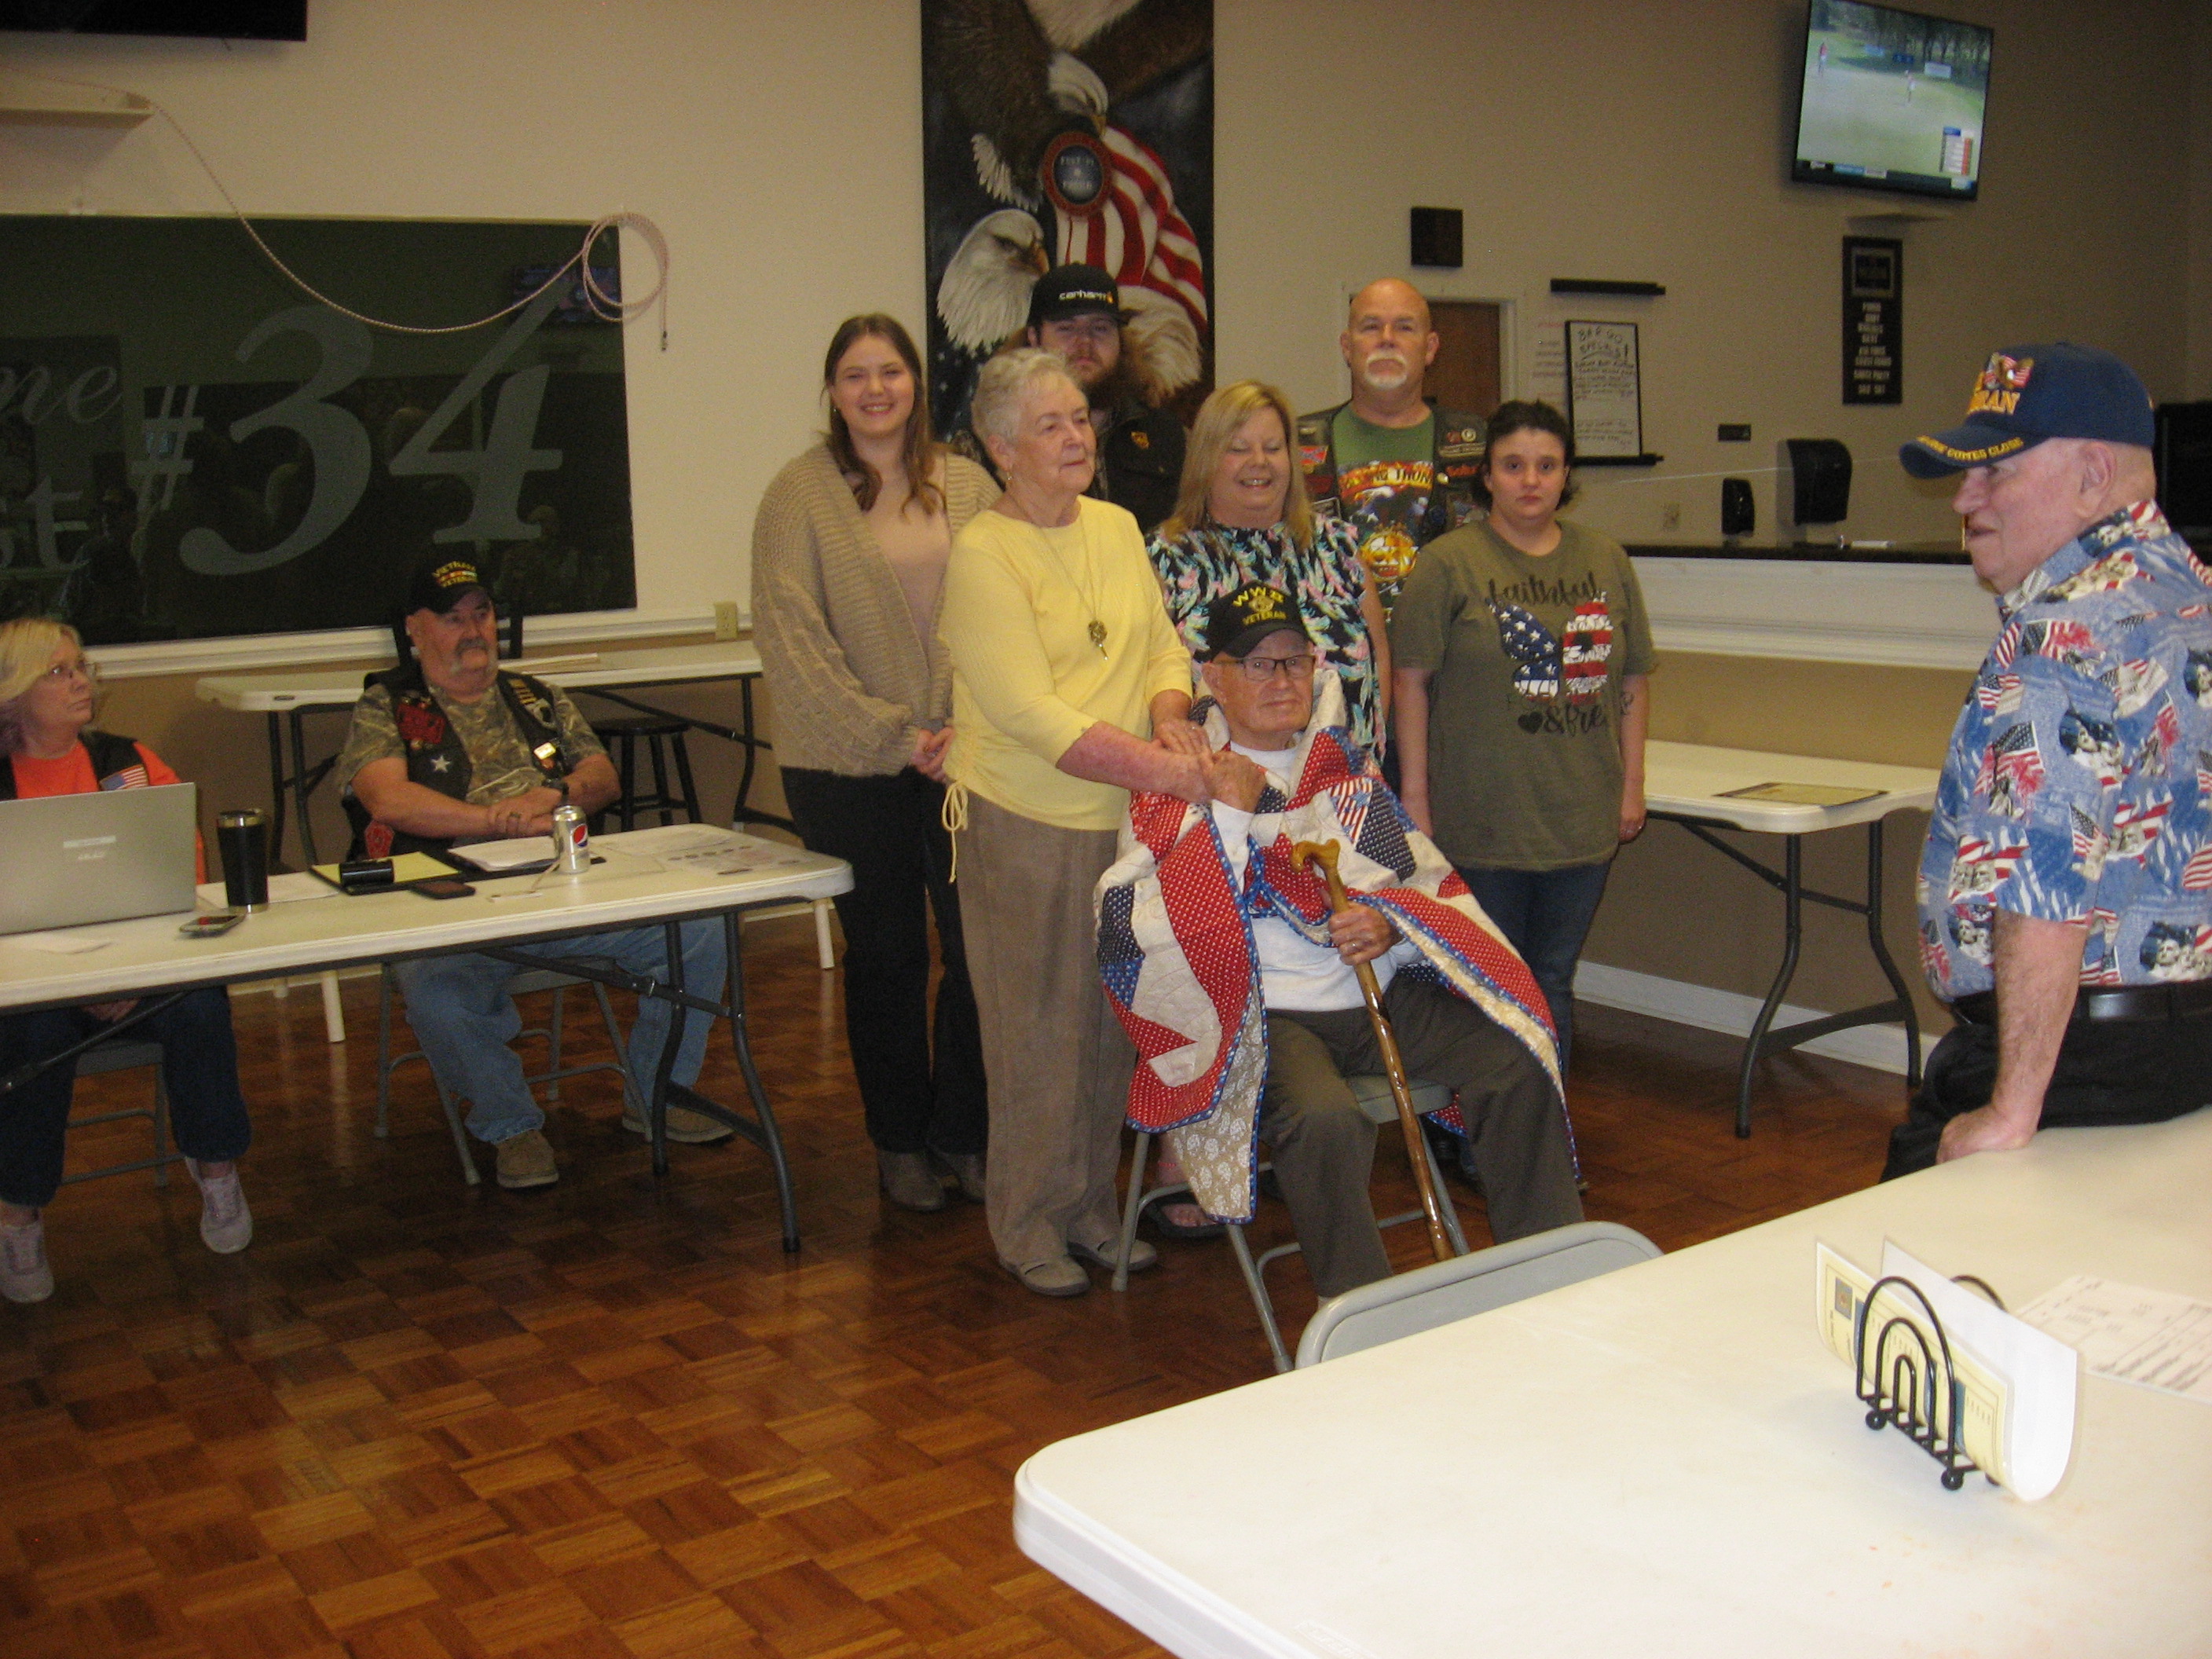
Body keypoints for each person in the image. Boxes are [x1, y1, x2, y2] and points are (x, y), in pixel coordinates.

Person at [1097, 584, 1582, 1297]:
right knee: (1325, 1120)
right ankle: (1358, 1307)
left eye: (1295, 662)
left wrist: (1390, 925)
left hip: (1377, 994)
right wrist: (1232, 817)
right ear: (1215, 678)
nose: (1281, 681)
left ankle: (1552, 1273)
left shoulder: (1346, 776)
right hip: (1264, 1016)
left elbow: (1421, 883)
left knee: (1516, 1059)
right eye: (1258, 664)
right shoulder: (1174, 782)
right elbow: (1145, 927)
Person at [1885, 342, 2212, 1176]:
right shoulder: (2191, 597)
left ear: (2092, 474)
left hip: (2078, 1064)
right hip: (2186, 1052)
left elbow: (2041, 888)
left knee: (1902, 1250)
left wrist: (2010, 1108)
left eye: (1994, 472)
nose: (1964, 499)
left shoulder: (2059, 636)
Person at [938, 347, 1209, 1297]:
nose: (1074, 437)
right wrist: (1167, 771)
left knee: (1105, 1025)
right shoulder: (983, 553)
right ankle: (1027, 1224)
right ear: (999, 448)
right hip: (1025, 822)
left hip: (1123, 822)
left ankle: (1094, 1208)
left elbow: (1161, 649)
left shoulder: (1116, 526)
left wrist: (1171, 718)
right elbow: (1031, 715)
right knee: (1035, 1034)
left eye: (1077, 418)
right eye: (1046, 425)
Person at [333, 559, 728, 1190]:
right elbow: (388, 799)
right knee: (433, 986)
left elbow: (602, 777)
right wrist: (492, 820)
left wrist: (556, 794)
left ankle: (657, 1092)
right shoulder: (388, 705)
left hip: (561, 893)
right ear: (415, 628)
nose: (473, 631)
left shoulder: (535, 697)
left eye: (482, 614)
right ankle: (510, 1125)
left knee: (701, 931)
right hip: (452, 909)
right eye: (452, 617)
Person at [752, 315, 996, 1214]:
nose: (874, 390)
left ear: (914, 383)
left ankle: (961, 1132)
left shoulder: (968, 485)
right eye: (854, 375)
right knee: (887, 956)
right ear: (832, 391)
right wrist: (900, 738)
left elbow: (1004, 613)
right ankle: (898, 1143)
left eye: (889, 371)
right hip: (845, 768)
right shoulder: (797, 496)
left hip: (965, 760)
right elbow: (793, 643)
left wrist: (963, 729)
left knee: (976, 953)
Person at [1391, 400, 1654, 1087]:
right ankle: (1478, 1128)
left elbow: (1632, 676)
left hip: (1581, 814)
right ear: (1486, 476)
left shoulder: (1606, 559)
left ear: (1567, 475)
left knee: (1552, 979)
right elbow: (1410, 683)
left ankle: (1544, 1127)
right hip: (1481, 817)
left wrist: (1632, 786)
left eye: (1546, 466)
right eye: (1513, 466)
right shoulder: (1447, 564)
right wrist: (1415, 797)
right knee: (1486, 983)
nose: (1530, 481)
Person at [0, 619, 253, 1303]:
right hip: (34, 983)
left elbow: (179, 876)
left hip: (142, 969)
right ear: (15, 692)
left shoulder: (127, 763)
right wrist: (77, 983)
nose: (79, 681)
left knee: (201, 1005)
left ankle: (217, 1171)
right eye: (58, 672)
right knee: (30, 1036)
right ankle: (18, 1214)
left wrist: (130, 973)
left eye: (80, 666)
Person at [1148, 379, 1391, 756]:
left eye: (1273, 448)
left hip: (1343, 781)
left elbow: (1379, 669)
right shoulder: (1164, 559)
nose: (1259, 461)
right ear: (1205, 459)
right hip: (1219, 785)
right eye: (1238, 449)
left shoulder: (1339, 547)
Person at [1298, 279, 1487, 611]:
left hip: (1448, 638)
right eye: (1371, 327)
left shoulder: (1479, 443)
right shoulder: (1294, 444)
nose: (1387, 339)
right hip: (1331, 636)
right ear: (1347, 347)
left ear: (1430, 348)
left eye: (1404, 327)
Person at [1023, 264, 1187, 534]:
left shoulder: (1166, 436)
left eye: (1100, 329)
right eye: (1066, 329)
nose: (1084, 344)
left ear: (1120, 340)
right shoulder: (1004, 438)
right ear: (1034, 337)